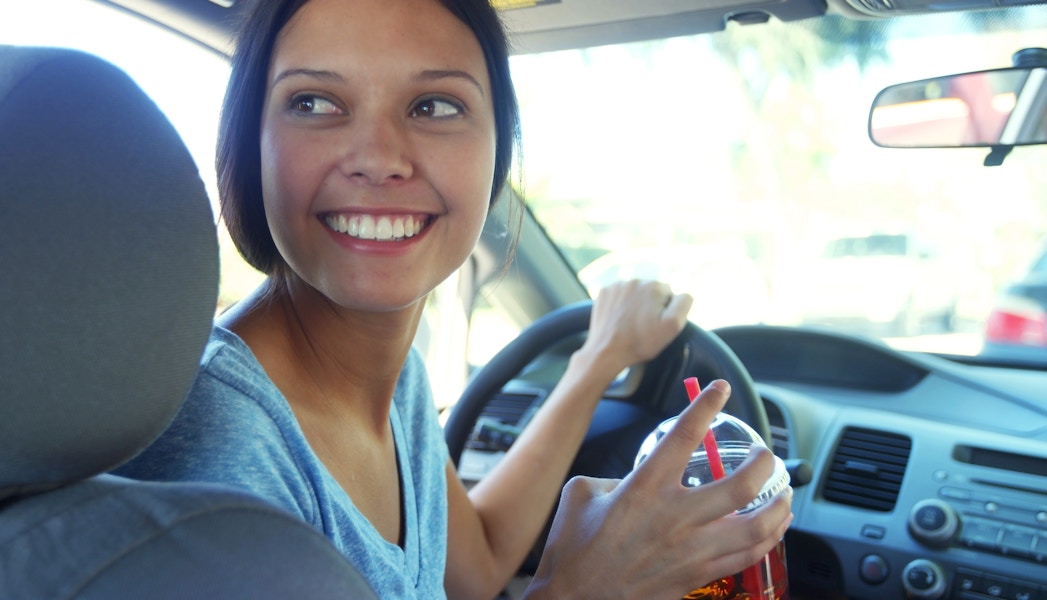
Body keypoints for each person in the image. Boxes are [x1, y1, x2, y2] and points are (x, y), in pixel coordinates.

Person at [116, 0, 793, 597]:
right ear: (247, 145)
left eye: (433, 106)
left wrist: (597, 361)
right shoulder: (221, 446)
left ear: (496, 159)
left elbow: (478, 566)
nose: (378, 156)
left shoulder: (392, 377)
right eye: (315, 102)